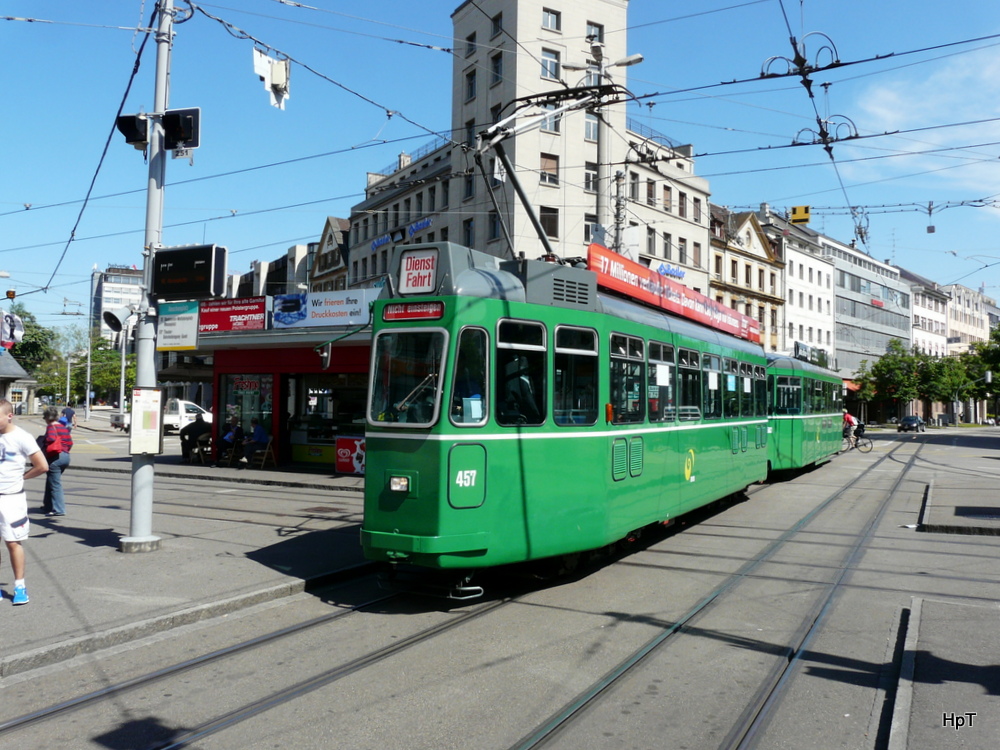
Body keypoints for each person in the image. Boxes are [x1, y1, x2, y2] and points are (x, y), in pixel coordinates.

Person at [0, 399, 49, 605]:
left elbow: (42, 466)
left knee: (12, 542)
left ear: (9, 415)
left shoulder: (22, 437)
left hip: (11, 499)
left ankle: (20, 586)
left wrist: (23, 478)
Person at [40, 406, 73, 516]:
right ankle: (47, 505)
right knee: (51, 480)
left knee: (55, 484)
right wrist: (65, 451)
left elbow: (51, 439)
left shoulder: (51, 427)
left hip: (55, 457)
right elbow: (70, 443)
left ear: (47, 418)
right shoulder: (63, 427)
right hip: (66, 457)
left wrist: (44, 443)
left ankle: (59, 509)